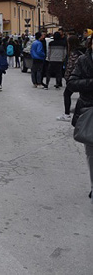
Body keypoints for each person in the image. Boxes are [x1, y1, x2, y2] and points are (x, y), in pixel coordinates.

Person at [66, 35, 93, 202]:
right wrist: (91, 83)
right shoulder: (84, 60)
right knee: (92, 154)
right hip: (90, 111)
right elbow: (71, 82)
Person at [58, 35, 85, 122]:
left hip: (75, 78)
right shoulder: (83, 51)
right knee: (82, 96)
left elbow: (70, 67)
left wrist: (67, 78)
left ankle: (67, 114)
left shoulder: (74, 53)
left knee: (67, 94)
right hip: (83, 77)